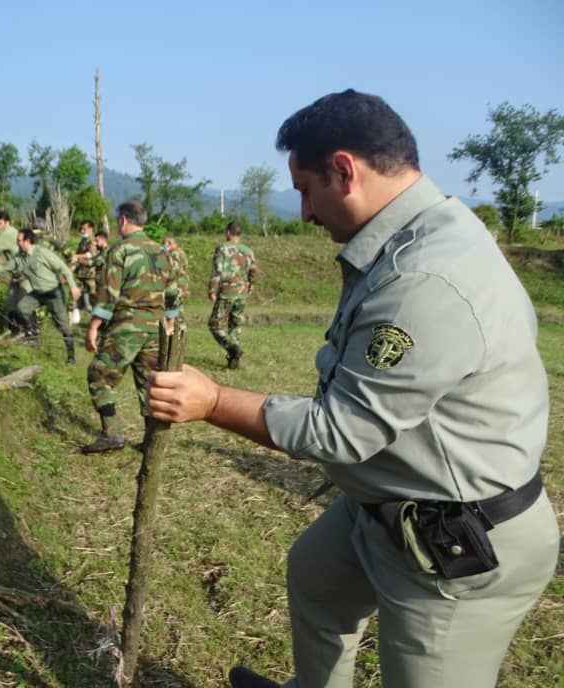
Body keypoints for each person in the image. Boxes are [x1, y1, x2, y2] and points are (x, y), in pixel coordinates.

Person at [145, 90, 559, 688]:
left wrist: (212, 401)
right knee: (317, 576)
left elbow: (340, 430)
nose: (306, 214)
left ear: (344, 170)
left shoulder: (426, 277)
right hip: (389, 509)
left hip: (454, 545)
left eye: (305, 190)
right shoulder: (416, 233)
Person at [83, 201, 180, 454]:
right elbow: (172, 293)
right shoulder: (162, 253)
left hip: (127, 326)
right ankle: (151, 442)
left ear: (124, 220)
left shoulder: (120, 251)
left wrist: (94, 326)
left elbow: (108, 294)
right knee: (149, 383)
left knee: (99, 375)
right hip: (156, 328)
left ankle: (111, 433)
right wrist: (169, 323)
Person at [0, 228, 81, 364]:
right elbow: (5, 266)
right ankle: (31, 334)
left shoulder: (42, 253)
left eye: (19, 240)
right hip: (38, 293)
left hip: (53, 293)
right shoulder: (20, 258)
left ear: (27, 241)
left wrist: (73, 286)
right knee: (21, 308)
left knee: (64, 326)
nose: (17, 243)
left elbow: (63, 268)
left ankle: (71, 357)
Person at [207, 221, 257, 369]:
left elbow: (218, 270)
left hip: (227, 292)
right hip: (242, 292)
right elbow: (253, 272)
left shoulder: (222, 249)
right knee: (235, 325)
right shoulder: (248, 251)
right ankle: (233, 359)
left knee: (214, 324)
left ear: (228, 233)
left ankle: (231, 347)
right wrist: (249, 289)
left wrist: (212, 290)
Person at [0, 210, 30, 335]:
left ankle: (32, 336)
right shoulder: (6, 233)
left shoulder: (9, 234)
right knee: (11, 305)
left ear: (7, 223)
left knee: (24, 306)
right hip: (16, 275)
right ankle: (14, 333)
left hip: (26, 275)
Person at [163, 232, 191, 329]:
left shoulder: (175, 254)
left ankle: (178, 334)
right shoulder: (181, 252)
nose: (163, 245)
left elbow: (173, 269)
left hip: (177, 287)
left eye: (164, 243)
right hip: (182, 286)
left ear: (169, 243)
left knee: (175, 314)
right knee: (179, 311)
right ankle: (180, 333)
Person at [71, 220, 98, 314]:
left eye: (84, 229)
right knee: (79, 294)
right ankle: (77, 313)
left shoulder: (92, 240)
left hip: (90, 273)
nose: (82, 231)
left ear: (90, 229)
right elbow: (79, 253)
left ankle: (97, 315)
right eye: (81, 229)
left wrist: (77, 256)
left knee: (93, 295)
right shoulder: (83, 240)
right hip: (81, 272)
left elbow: (91, 254)